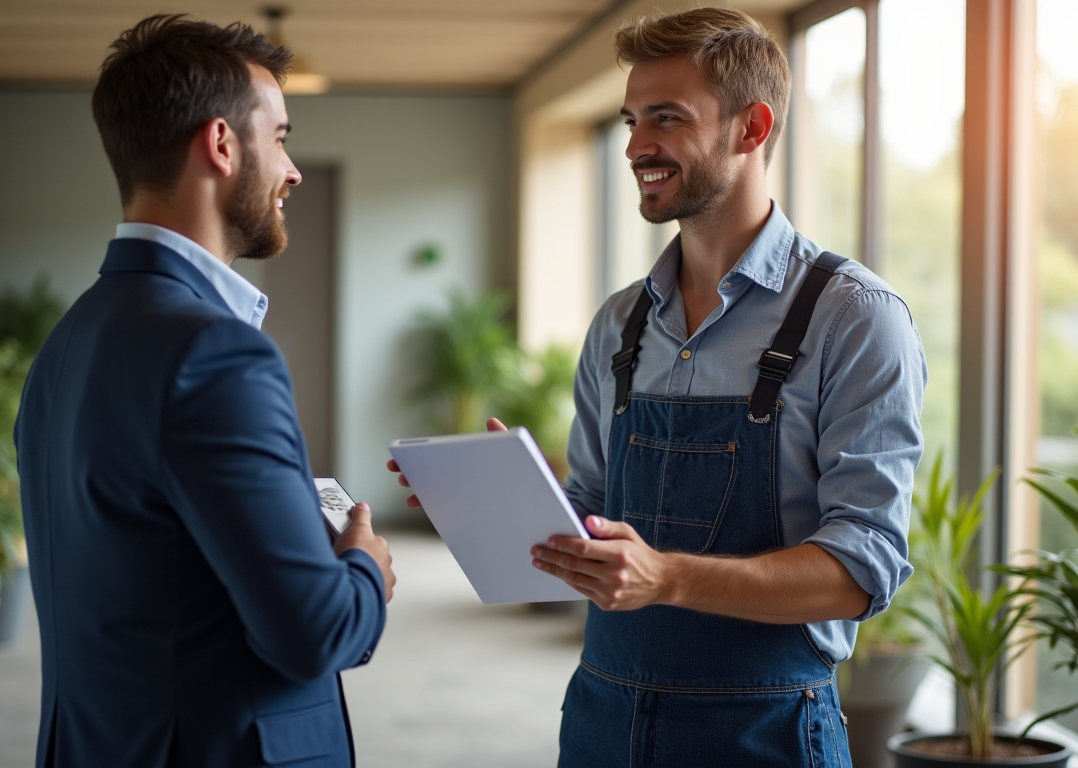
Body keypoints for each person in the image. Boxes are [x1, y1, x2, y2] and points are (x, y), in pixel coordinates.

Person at [393, 8, 923, 767]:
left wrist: (667, 577)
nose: (637, 146)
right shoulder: (619, 324)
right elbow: (591, 508)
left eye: (666, 120)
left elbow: (862, 568)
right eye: (632, 120)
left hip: (764, 733)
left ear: (751, 127)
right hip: (601, 719)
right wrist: (497, 500)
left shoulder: (854, 319)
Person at [15, 15, 394, 768]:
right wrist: (364, 568)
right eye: (280, 137)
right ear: (222, 145)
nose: (290, 170)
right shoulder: (217, 353)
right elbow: (312, 632)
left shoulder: (66, 343)